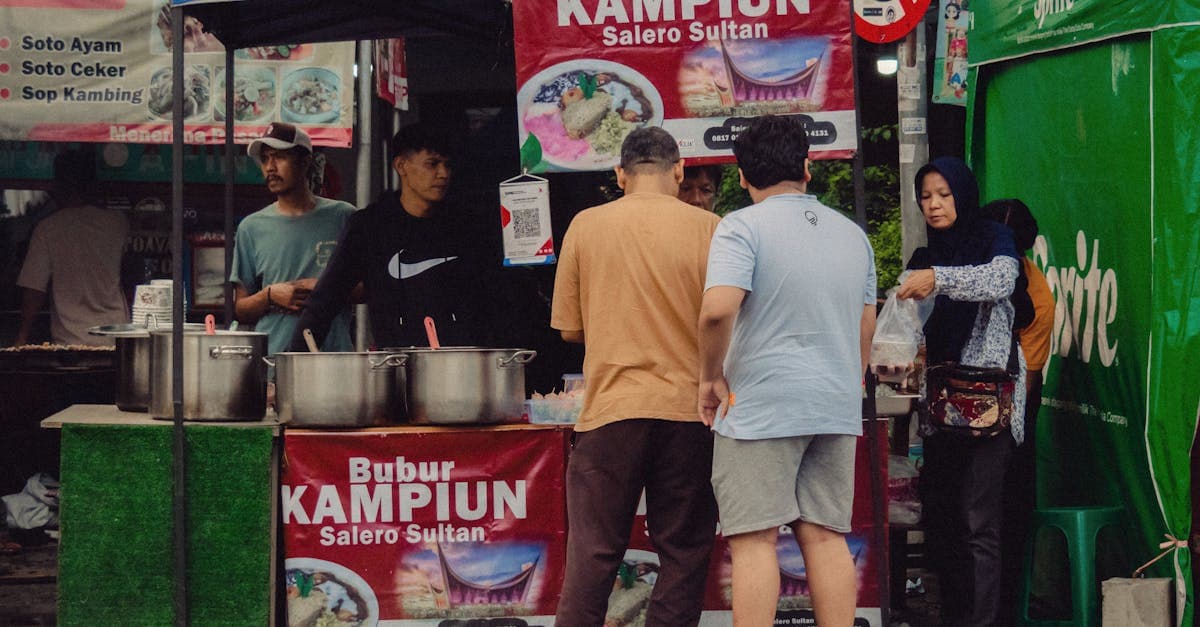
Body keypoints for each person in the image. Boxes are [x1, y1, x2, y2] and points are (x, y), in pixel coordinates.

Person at [697, 114, 877, 626]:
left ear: (740, 175)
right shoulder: (852, 236)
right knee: (825, 535)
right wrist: (852, 377)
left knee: (754, 540)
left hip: (759, 405)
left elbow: (716, 309)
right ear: (807, 166)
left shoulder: (741, 227)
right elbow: (867, 321)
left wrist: (709, 377)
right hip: (834, 403)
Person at [551, 127, 721, 626]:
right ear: (678, 171)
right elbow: (727, 319)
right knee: (685, 550)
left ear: (620, 174)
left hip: (609, 414)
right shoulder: (710, 228)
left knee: (594, 552)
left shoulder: (586, 225)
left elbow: (569, 331)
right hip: (689, 414)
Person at [896, 157, 1027, 627]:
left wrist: (942, 280)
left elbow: (1001, 280)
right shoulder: (924, 257)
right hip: (940, 407)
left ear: (964, 195)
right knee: (945, 516)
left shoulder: (994, 238)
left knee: (979, 520)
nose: (934, 205)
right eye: (926, 196)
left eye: (944, 194)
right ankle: (951, 614)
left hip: (992, 404)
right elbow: (906, 325)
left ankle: (985, 620)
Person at [291, 122, 490, 351]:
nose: (443, 174)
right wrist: (287, 372)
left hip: (464, 367)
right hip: (396, 370)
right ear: (401, 165)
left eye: (447, 165)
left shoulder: (466, 226)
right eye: (432, 164)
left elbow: (495, 299)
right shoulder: (369, 227)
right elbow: (324, 301)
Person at [983, 198, 1054, 624]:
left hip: (1010, 411)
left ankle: (1003, 611)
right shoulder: (965, 267)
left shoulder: (1037, 299)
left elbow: (1024, 385)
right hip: (964, 403)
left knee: (1005, 510)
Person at [230, 122, 355, 356]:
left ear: (305, 161)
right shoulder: (251, 227)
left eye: (279, 157)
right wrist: (270, 295)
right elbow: (241, 309)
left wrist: (327, 287)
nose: (270, 167)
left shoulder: (344, 216)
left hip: (336, 360)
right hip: (275, 360)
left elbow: (371, 288)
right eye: (265, 159)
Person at [14, 150, 129, 347]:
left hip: (71, 342)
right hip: (116, 337)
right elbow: (129, 272)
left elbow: (34, 290)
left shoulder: (48, 228)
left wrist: (22, 336)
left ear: (59, 185)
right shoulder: (117, 222)